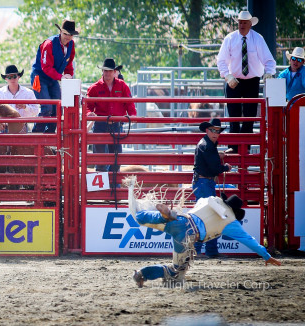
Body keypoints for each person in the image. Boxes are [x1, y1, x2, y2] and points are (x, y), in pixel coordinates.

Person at [128, 192, 282, 288]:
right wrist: (266, 255)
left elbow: (200, 201)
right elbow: (248, 240)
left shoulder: (210, 199)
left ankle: (153, 213)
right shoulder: (231, 221)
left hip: (182, 219)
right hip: (187, 236)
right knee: (175, 271)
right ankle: (142, 274)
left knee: (141, 218)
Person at [217, 11, 276, 153]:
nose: (242, 25)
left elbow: (269, 60)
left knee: (250, 117)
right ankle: (233, 147)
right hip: (234, 80)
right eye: (240, 22)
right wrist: (227, 76)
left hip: (251, 81)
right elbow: (221, 61)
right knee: (233, 116)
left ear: (250, 24)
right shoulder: (230, 39)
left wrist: (268, 73)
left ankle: (245, 147)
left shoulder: (258, 39)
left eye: (244, 22)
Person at [86, 58, 136, 172]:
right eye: (105, 71)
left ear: (114, 72)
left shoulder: (122, 86)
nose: (107, 73)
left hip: (116, 125)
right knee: (100, 160)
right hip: (100, 125)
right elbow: (88, 105)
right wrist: (89, 113)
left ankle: (114, 188)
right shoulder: (95, 88)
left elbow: (129, 103)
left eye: (109, 71)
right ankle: (103, 189)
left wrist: (132, 114)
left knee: (116, 159)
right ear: (102, 72)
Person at [192, 118, 232, 258]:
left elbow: (210, 163)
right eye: (213, 130)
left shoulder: (206, 144)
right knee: (209, 216)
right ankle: (207, 250)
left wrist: (217, 156)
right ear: (207, 130)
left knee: (204, 217)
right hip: (205, 183)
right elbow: (214, 168)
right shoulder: (208, 146)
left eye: (217, 131)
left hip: (203, 183)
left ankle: (198, 250)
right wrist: (225, 167)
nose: (215, 133)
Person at [31, 19, 78, 133]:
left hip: (53, 78)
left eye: (70, 34)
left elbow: (68, 63)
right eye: (65, 33)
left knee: (57, 109)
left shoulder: (71, 45)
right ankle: (36, 135)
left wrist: (69, 77)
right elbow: (45, 67)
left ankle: (50, 137)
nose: (67, 37)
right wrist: (62, 77)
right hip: (39, 78)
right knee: (47, 107)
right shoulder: (49, 43)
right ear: (61, 32)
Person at [0, 65, 40, 132]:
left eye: (14, 76)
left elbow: (36, 110)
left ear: (18, 77)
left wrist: (25, 107)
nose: (12, 79)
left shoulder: (28, 93)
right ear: (6, 79)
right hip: (4, 127)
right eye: (9, 77)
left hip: (21, 126)